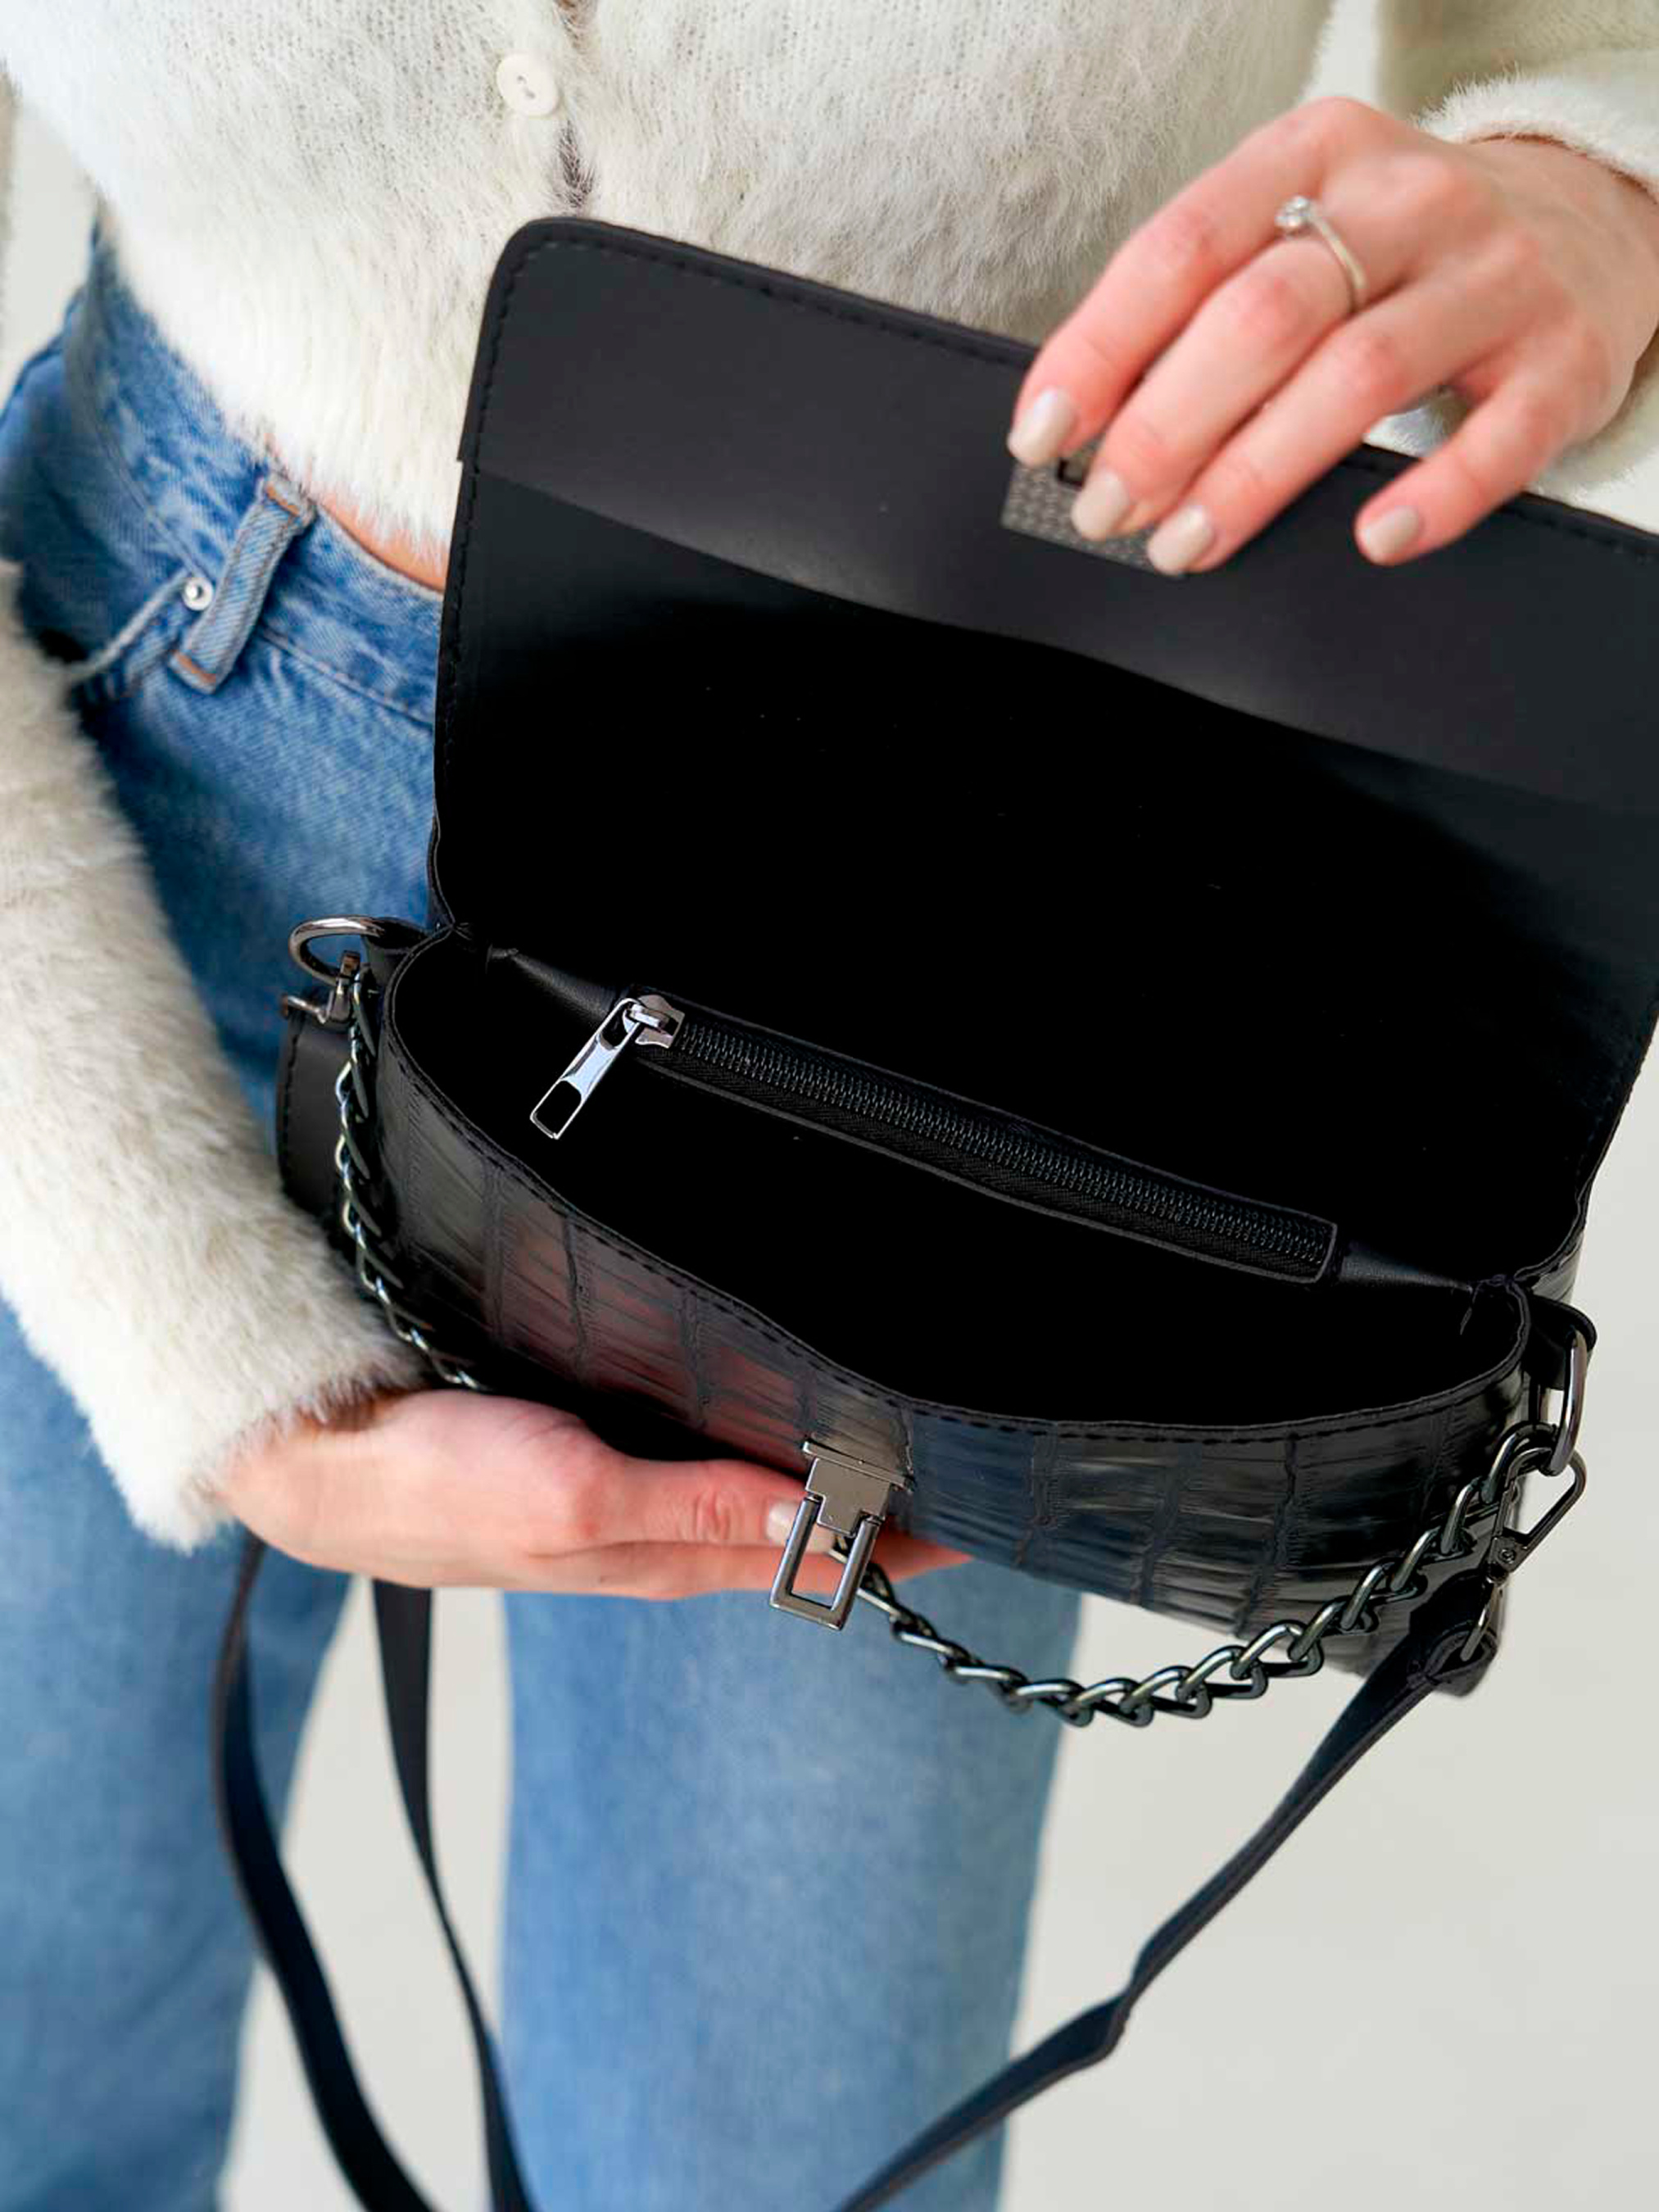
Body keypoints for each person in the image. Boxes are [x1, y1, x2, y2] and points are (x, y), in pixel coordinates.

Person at [2, 7, 1657, 2207]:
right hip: (94, 825)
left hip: (984, 893)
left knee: (770, 2164)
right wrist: (170, 1317)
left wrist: (1599, 183)